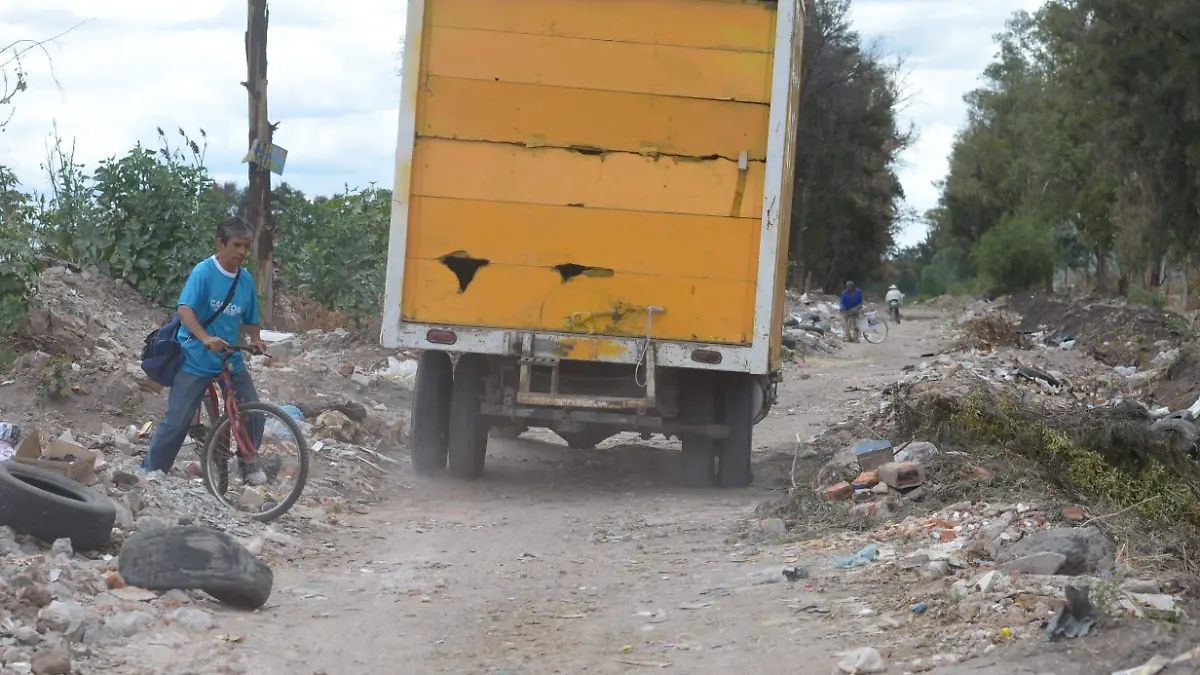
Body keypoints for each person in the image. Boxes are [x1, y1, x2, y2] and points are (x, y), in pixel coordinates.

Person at [142, 216, 268, 481]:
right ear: (220, 244)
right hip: (196, 355)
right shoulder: (204, 272)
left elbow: (251, 318)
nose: (242, 252)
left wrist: (255, 339)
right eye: (236, 245)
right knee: (177, 420)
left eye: (246, 246)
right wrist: (204, 337)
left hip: (229, 357)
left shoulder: (244, 280)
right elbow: (185, 310)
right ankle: (150, 473)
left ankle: (246, 461)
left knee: (254, 412)